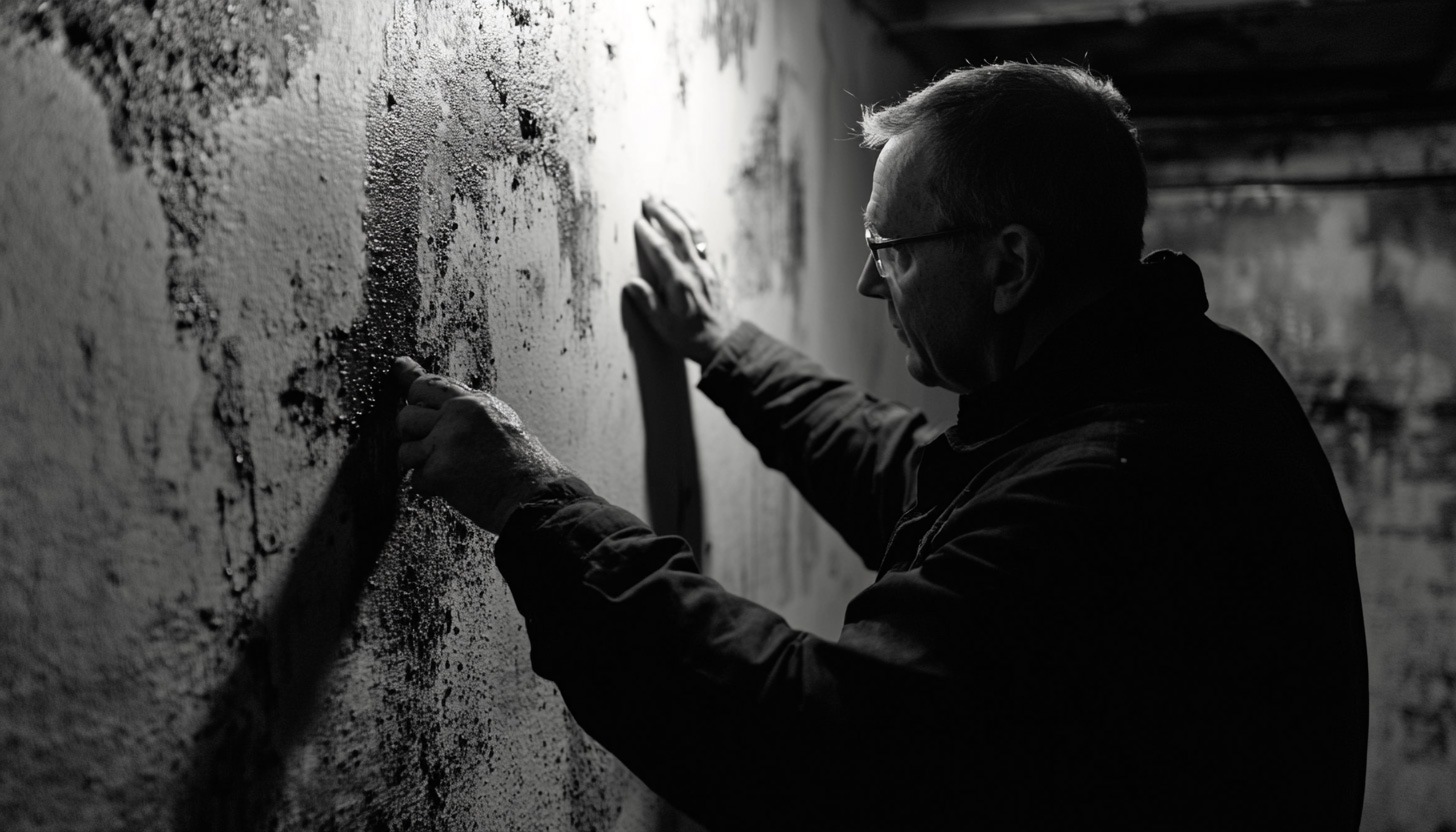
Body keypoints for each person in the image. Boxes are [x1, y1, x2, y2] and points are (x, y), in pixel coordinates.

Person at [391, 62, 1368, 831]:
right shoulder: (1171, 384)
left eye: (889, 250)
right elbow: (922, 486)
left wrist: (537, 506)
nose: (869, 283)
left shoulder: (1107, 494)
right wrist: (727, 349)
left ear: (1009, 263)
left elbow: (810, 745)